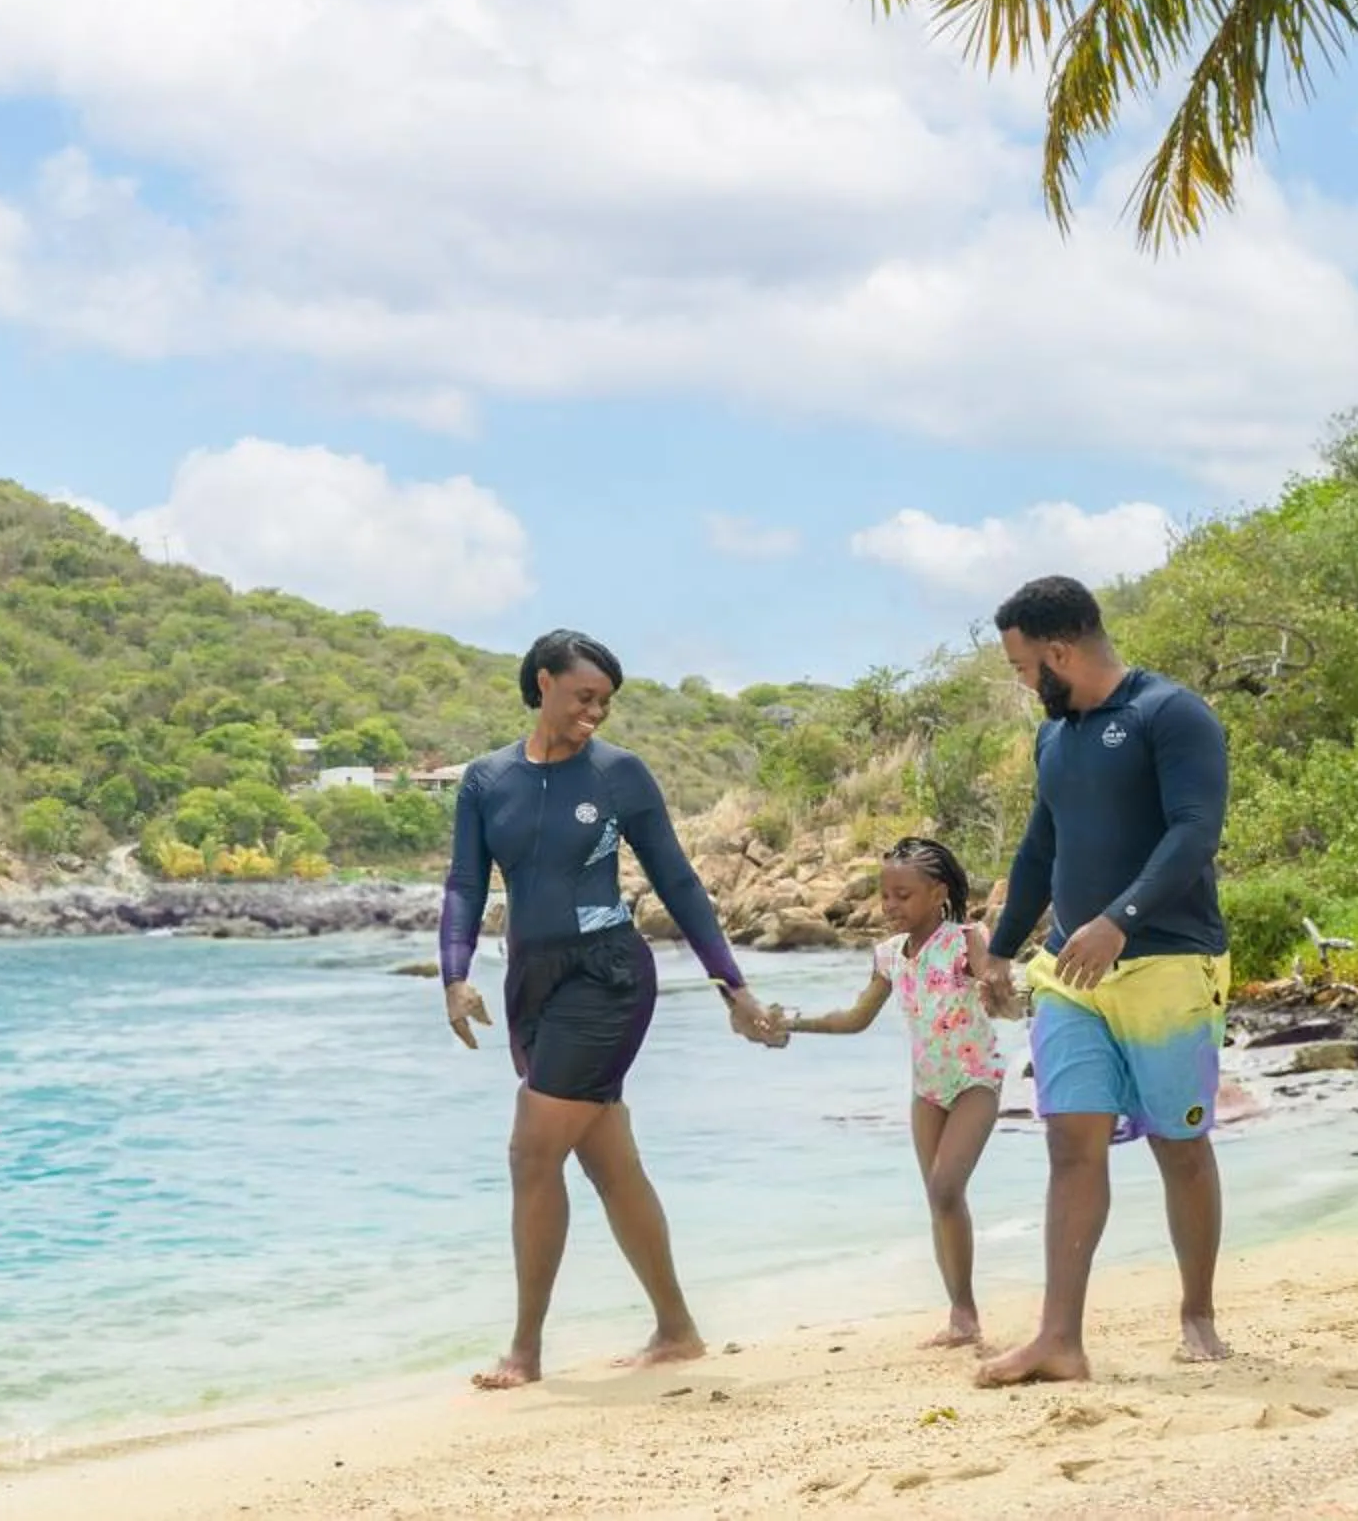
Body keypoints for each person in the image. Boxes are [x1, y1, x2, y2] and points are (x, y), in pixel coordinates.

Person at [439, 629, 779, 1391]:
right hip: (531, 984)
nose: (595, 712)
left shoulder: (619, 775)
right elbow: (465, 884)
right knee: (608, 1161)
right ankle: (677, 1329)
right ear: (544, 682)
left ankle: (525, 1351)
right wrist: (453, 976)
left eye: (605, 702)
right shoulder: (487, 780)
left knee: (532, 1151)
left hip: (609, 976)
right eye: (583, 696)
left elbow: (678, 882)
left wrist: (731, 985)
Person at [970, 575, 1232, 1388]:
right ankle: (1059, 1339)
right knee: (1070, 1142)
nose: (1022, 683)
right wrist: (1001, 949)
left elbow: (1196, 830)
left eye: (1022, 667)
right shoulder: (1056, 738)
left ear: (1058, 652)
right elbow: (1040, 850)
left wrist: (1120, 918)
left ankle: (1198, 1313)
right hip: (1069, 970)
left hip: (1170, 962)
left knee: (1178, 1144)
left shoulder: (1170, 713)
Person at [761, 837, 1016, 1349]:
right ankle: (962, 1315)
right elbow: (856, 1018)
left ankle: (964, 1313)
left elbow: (1000, 996)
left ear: (938, 893)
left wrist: (1006, 998)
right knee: (938, 1201)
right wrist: (792, 1023)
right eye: (885, 895)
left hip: (975, 1080)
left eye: (903, 895)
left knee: (946, 1188)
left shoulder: (966, 939)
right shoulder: (889, 956)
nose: (890, 906)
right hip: (928, 1090)